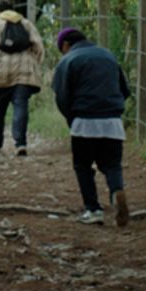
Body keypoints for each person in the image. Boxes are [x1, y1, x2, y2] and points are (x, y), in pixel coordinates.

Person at [51, 27, 131, 226]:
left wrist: (72, 118)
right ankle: (116, 192)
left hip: (84, 121)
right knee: (112, 164)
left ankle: (93, 210)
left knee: (82, 166)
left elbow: (62, 97)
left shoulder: (68, 61)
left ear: (66, 45)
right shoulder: (108, 56)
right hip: (113, 121)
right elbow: (125, 90)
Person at [0, 0, 46, 156]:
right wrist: (34, 64)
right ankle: (20, 143)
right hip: (25, 71)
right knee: (20, 105)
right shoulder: (26, 24)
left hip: (4, 72)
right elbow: (39, 48)